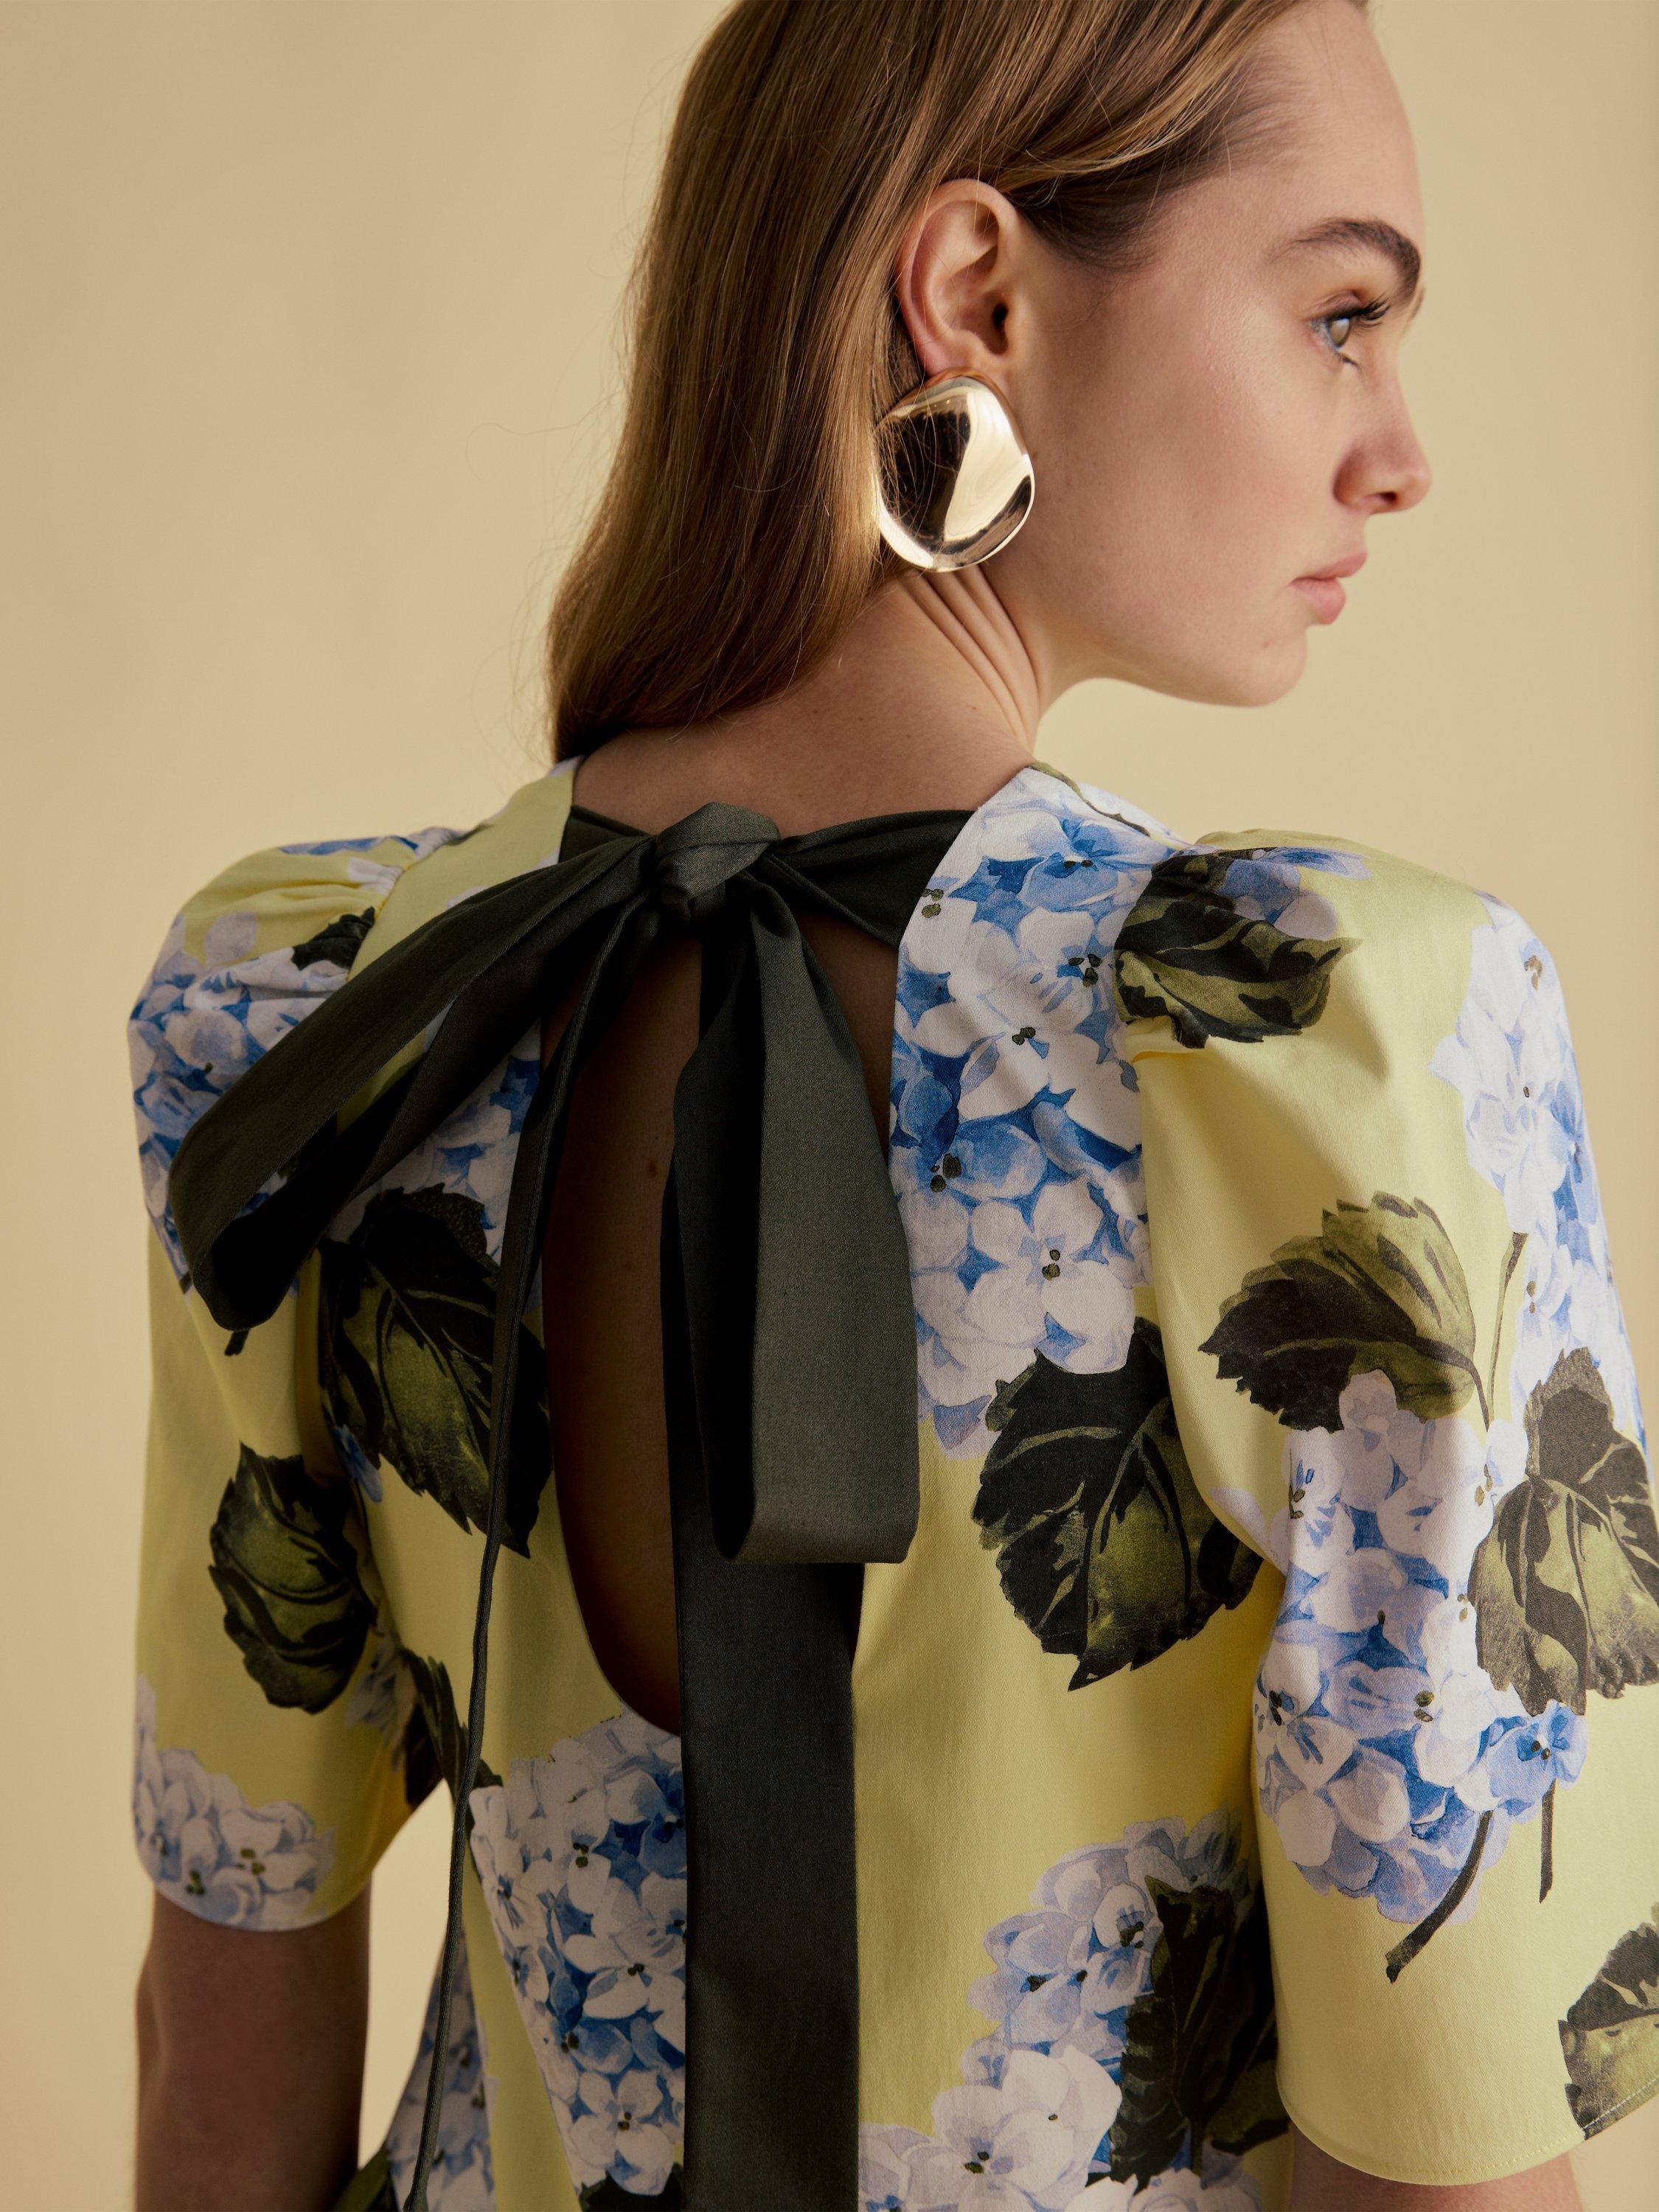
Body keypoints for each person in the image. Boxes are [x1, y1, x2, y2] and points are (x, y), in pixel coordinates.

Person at [127, 1, 1655, 2208]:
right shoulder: (1328, 1053)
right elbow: (1442, 2153)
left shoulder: (321, 1012)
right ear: (978, 297)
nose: (1398, 451)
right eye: (1339, 315)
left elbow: (225, 2006)